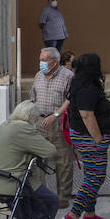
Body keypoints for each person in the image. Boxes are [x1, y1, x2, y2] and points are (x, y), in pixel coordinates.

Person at [0, 100, 60, 219]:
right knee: (51, 201)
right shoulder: (24, 129)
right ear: (31, 117)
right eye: (36, 118)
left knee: (25, 209)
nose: (37, 121)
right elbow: (51, 152)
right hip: (15, 183)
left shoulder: (5, 125)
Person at [62, 53, 110, 219]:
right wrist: (99, 141)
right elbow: (87, 115)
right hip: (90, 140)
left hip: (86, 138)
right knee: (96, 177)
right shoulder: (87, 88)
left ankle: (90, 213)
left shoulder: (81, 84)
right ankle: (74, 215)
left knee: (91, 175)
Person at [31, 46, 75, 207]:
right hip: (40, 122)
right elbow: (33, 98)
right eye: (40, 60)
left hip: (59, 122)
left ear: (55, 62)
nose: (40, 63)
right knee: (39, 160)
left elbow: (70, 99)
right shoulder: (38, 76)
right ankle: (42, 194)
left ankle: (63, 196)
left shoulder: (68, 76)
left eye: (44, 60)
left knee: (63, 160)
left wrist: (55, 115)